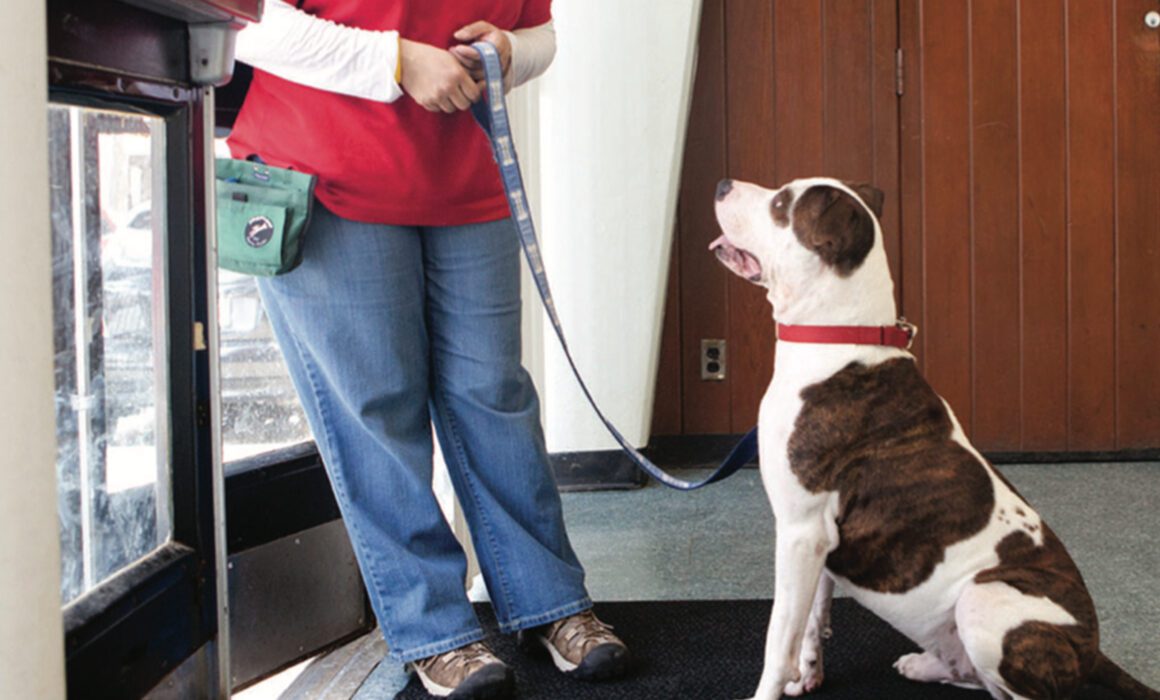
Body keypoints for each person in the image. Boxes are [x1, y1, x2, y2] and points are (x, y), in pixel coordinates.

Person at [228, 2, 631, 697]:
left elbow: (542, 34)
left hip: (465, 178)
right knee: (378, 413)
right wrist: (397, 61)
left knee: (496, 396)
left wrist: (510, 51)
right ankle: (434, 631)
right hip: (325, 170)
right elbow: (247, 22)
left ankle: (550, 601)